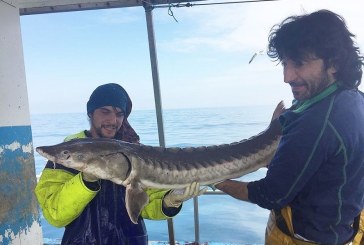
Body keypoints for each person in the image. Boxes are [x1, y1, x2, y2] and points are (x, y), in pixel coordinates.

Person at [213, 10, 364, 245]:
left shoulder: (316, 123)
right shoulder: (353, 98)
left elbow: (271, 194)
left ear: (334, 63)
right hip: (344, 229)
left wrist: (215, 181)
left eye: (299, 63)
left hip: (304, 238)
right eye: (285, 63)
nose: (287, 76)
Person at [35, 83, 205, 245]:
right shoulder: (68, 152)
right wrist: (86, 180)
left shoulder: (133, 151)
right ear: (90, 113)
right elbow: (54, 214)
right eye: (105, 111)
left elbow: (145, 208)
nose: (113, 120)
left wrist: (169, 202)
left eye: (119, 114)